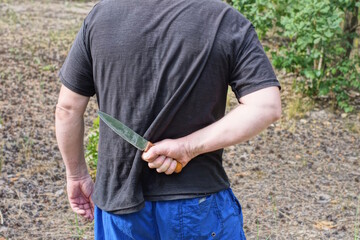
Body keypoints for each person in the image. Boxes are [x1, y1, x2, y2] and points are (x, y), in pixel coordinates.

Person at [55, 0, 281, 239]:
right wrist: (188, 147)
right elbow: (265, 106)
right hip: (198, 206)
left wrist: (77, 175)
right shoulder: (224, 19)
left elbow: (67, 110)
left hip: (120, 208)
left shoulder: (101, 16)